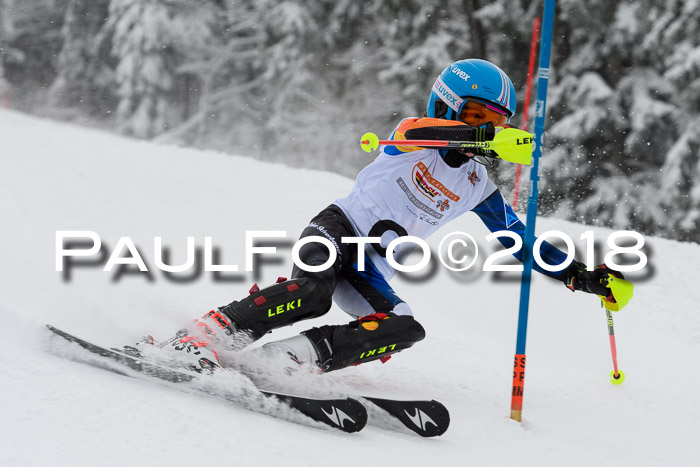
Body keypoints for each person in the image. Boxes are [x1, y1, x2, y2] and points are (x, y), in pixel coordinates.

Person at [135, 59, 632, 373]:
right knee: (312, 295)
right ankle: (203, 335)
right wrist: (485, 137)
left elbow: (518, 240)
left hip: (371, 266)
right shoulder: (412, 134)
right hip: (335, 231)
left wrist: (581, 277)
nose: (487, 130)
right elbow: (430, 133)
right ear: (450, 106)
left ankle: (292, 359)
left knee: (403, 328)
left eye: (497, 123)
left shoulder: (479, 186)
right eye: (477, 116)